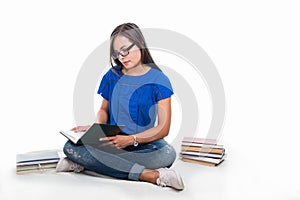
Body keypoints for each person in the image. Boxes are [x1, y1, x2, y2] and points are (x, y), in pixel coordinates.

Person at [56, 22, 184, 190]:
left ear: (140, 44)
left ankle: (88, 164)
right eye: (117, 53)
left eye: (125, 50)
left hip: (145, 143)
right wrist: (98, 128)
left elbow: (163, 128)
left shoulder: (159, 80)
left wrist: (131, 139)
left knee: (168, 154)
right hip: (112, 141)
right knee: (69, 147)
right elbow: (104, 109)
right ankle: (150, 175)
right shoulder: (112, 76)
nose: (121, 57)